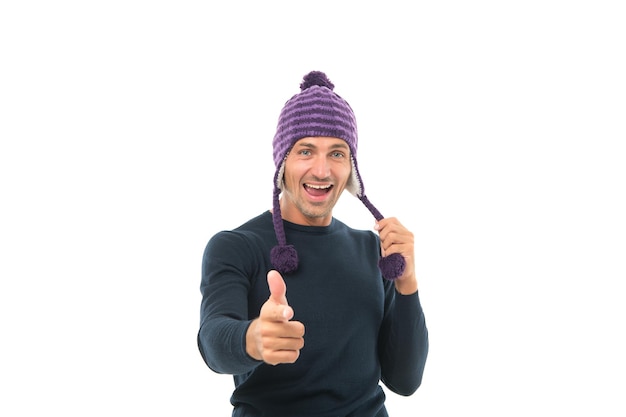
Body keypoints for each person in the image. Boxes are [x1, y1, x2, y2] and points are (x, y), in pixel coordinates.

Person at [197, 70, 429, 417]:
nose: (322, 171)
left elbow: (405, 380)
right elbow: (213, 341)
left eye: (336, 154)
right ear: (283, 162)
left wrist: (407, 283)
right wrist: (254, 339)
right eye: (306, 151)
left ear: (350, 169)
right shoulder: (236, 246)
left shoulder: (372, 250)